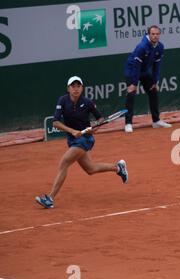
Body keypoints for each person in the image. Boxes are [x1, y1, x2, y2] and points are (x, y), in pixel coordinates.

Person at [35, 76, 128, 209]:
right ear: (68, 88)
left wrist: (95, 127)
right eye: (73, 86)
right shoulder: (63, 100)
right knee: (91, 169)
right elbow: (55, 122)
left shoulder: (87, 102)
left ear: (82, 88)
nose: (76, 88)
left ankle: (50, 198)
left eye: (79, 86)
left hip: (86, 139)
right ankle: (118, 168)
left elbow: (100, 118)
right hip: (73, 139)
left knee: (64, 162)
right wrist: (72, 131)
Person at [123, 25, 171, 133]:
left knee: (153, 91)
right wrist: (134, 83)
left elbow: (157, 65)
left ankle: (156, 121)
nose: (155, 36)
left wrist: (155, 81)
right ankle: (128, 123)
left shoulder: (160, 47)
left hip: (144, 71)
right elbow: (136, 66)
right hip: (132, 70)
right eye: (153, 34)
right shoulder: (142, 47)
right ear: (148, 34)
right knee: (131, 93)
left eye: (157, 34)